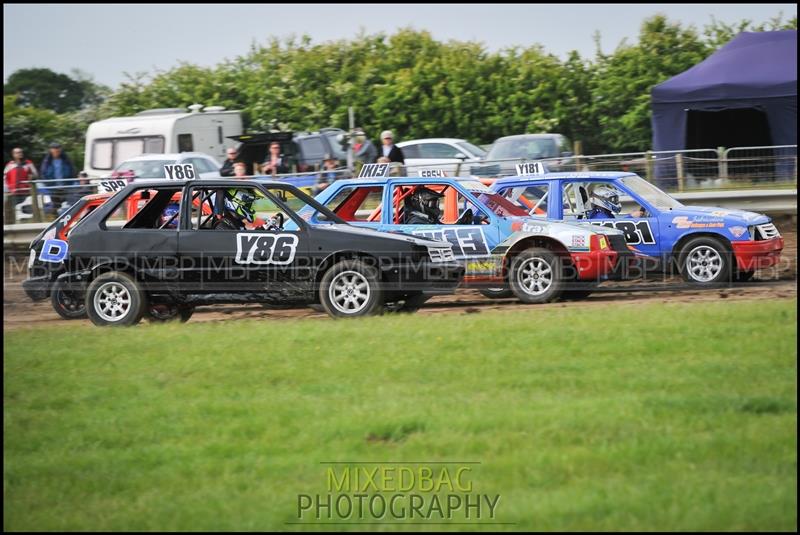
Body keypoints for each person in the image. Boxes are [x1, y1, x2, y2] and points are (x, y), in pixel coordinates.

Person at [40, 142, 75, 212]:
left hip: (66, 187)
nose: (56, 151)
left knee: (67, 206)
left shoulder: (66, 160)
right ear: (50, 151)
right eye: (54, 149)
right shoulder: (47, 162)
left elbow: (72, 171)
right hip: (53, 188)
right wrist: (49, 186)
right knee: (55, 207)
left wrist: (69, 184)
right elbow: (43, 174)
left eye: (58, 149)